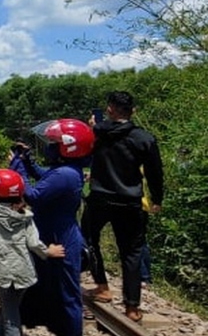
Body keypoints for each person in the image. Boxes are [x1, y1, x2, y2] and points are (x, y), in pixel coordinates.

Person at [81, 91, 163, 323]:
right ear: (133, 111)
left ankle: (102, 287)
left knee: (88, 238)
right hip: (130, 202)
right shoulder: (144, 138)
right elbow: (155, 174)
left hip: (100, 198)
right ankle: (132, 307)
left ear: (109, 109)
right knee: (132, 252)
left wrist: (92, 128)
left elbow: (81, 151)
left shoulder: (96, 133)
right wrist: (156, 200)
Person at [11, 118, 94, 336]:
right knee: (48, 286)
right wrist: (28, 161)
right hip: (52, 232)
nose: (49, 147)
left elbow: (33, 196)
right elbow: (43, 175)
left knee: (67, 294)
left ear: (68, 146)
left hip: (60, 236)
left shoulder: (65, 174)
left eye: (54, 143)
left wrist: (18, 168)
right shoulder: (64, 169)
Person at [0, 169, 66, 336]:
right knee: (9, 306)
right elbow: (34, 243)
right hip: (24, 271)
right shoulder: (25, 215)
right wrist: (48, 252)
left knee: (11, 319)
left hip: (2, 272)